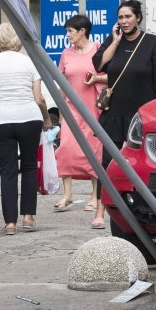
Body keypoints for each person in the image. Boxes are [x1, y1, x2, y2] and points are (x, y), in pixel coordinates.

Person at [93, 0, 156, 226]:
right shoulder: (114, 41)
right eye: (120, 17)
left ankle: (143, 207)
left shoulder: (152, 43)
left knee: (142, 164)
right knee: (108, 163)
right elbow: (99, 64)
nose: (124, 21)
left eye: (128, 17)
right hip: (115, 114)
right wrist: (116, 40)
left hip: (141, 117)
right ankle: (101, 211)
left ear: (138, 18)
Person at [0, 23, 52, 235]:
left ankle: (10, 222)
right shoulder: (29, 63)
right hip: (29, 118)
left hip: (2, 120)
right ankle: (28, 217)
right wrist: (46, 120)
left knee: (8, 171)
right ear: (18, 40)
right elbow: (39, 98)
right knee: (28, 167)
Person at [53, 14, 108, 230]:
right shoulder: (66, 54)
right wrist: (60, 109)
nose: (68, 36)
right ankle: (67, 194)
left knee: (94, 152)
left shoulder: (98, 51)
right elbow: (61, 82)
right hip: (71, 109)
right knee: (66, 148)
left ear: (82, 31)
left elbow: (108, 76)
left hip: (93, 109)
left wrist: (96, 80)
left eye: (70, 31)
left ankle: (95, 197)